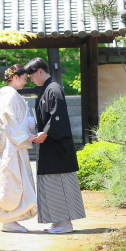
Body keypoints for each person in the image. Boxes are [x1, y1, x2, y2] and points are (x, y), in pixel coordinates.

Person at [25, 57, 86, 234]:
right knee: (50, 184)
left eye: (32, 75)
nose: (31, 79)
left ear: (40, 71)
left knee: (60, 183)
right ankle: (57, 221)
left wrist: (46, 132)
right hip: (49, 146)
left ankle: (65, 223)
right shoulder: (46, 89)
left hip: (57, 147)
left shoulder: (54, 88)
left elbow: (57, 116)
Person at [0, 64, 37, 233]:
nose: (26, 82)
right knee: (15, 181)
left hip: (13, 144)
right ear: (16, 77)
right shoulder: (11, 97)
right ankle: (9, 220)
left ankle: (10, 219)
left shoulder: (5, 97)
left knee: (14, 181)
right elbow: (11, 122)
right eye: (24, 78)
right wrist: (27, 136)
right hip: (14, 145)